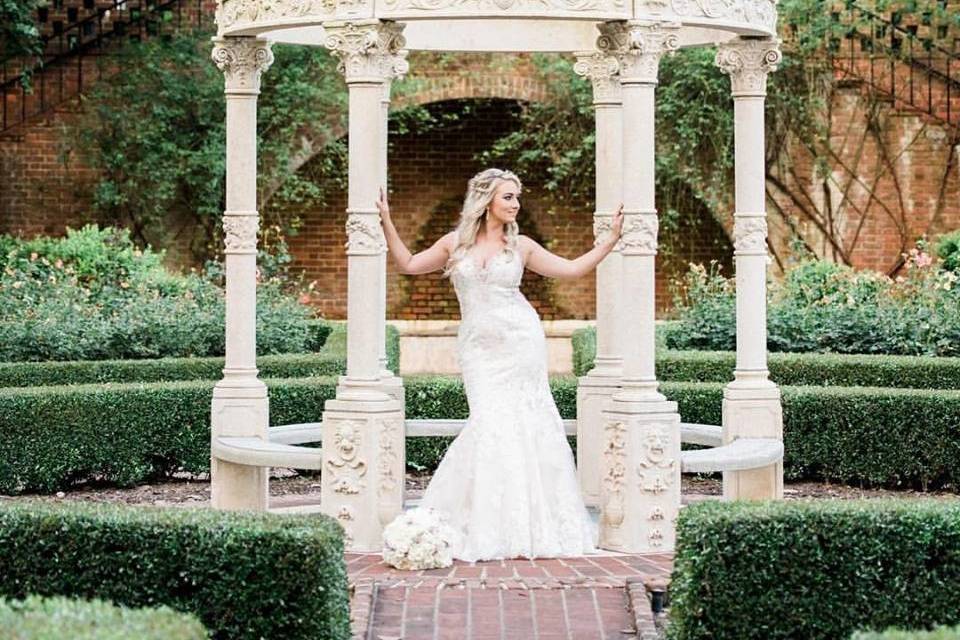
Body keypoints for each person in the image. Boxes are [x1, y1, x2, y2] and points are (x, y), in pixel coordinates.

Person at [377, 168, 624, 561]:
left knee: (527, 424)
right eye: (508, 197)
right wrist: (387, 221)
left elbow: (574, 268)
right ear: (486, 200)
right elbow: (407, 263)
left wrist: (609, 241)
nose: (516, 204)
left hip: (520, 342)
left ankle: (523, 526)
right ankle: (484, 521)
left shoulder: (521, 246)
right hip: (478, 350)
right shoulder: (454, 243)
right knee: (489, 423)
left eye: (517, 197)